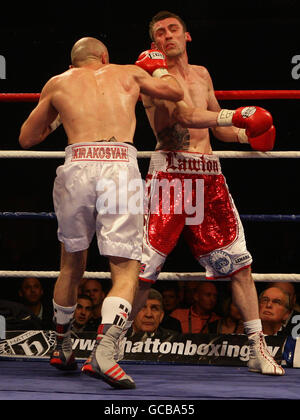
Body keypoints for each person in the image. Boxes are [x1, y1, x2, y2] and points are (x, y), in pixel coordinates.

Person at [19, 36, 184, 389]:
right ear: (105, 57)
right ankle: (104, 354)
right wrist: (158, 66)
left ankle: (63, 347)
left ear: (73, 63)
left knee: (71, 263)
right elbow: (175, 94)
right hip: (118, 165)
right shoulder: (127, 72)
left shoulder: (58, 83)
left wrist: (59, 119)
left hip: (76, 164)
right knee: (124, 268)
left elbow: (27, 138)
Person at [132, 10, 283, 375]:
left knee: (241, 266)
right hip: (170, 174)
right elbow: (184, 116)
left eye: (173, 29)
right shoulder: (153, 76)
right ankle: (113, 340)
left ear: (187, 36)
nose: (167, 36)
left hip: (208, 177)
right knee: (143, 269)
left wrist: (248, 134)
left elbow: (216, 127)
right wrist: (236, 115)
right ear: (154, 44)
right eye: (159, 33)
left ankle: (258, 348)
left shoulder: (201, 74)